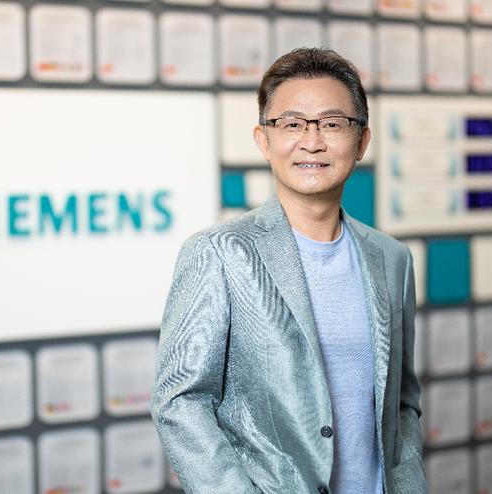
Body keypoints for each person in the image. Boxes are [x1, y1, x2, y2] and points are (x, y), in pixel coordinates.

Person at [151, 47, 425, 494]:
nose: (312, 141)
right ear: (263, 140)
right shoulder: (219, 253)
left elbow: (402, 401)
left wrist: (410, 481)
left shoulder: (393, 259)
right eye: (292, 124)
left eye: (332, 124)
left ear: (362, 141)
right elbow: (180, 401)